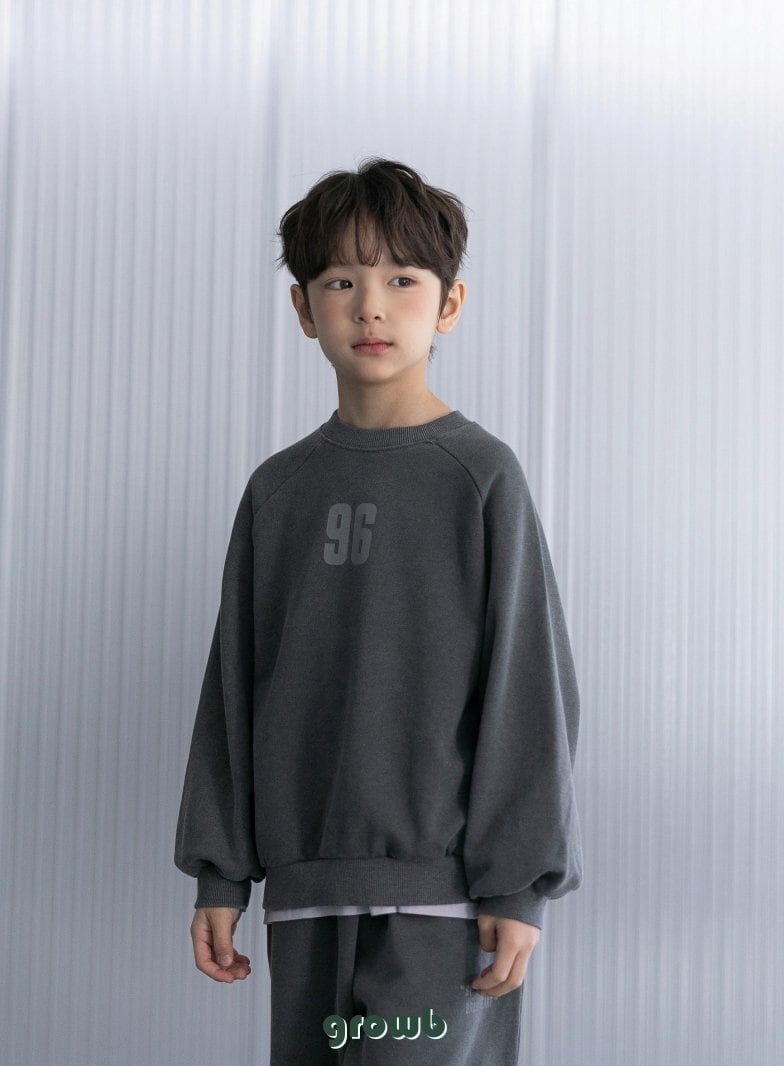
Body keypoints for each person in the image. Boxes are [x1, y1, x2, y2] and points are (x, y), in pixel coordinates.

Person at [174, 158, 582, 1064]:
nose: (370, 307)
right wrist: (219, 872)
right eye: (340, 282)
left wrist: (517, 887)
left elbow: (529, 690)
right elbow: (233, 687)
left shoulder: (481, 478)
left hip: (442, 906)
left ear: (449, 304)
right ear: (302, 307)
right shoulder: (279, 489)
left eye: (402, 280)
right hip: (305, 897)